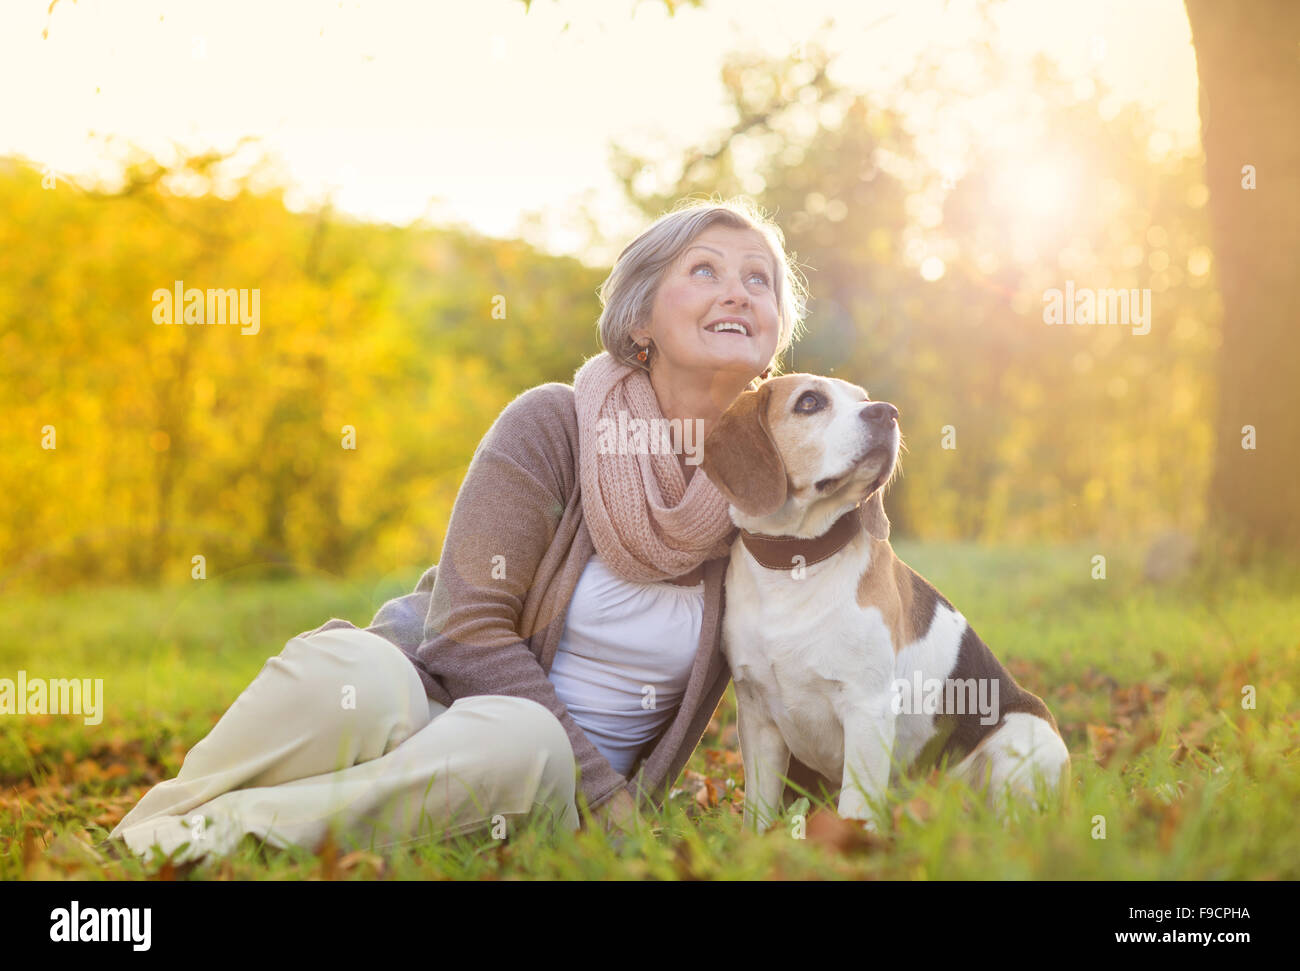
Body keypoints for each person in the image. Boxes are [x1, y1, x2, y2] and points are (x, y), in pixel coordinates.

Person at [105, 196, 807, 862]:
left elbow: (838, 642)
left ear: (775, 329)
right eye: (705, 269)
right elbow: (466, 629)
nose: (739, 291)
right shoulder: (556, 425)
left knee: (522, 740)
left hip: (548, 791)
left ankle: (203, 840)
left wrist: (611, 801)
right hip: (429, 703)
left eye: (759, 279)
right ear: (639, 320)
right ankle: (143, 838)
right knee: (349, 670)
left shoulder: (778, 478)